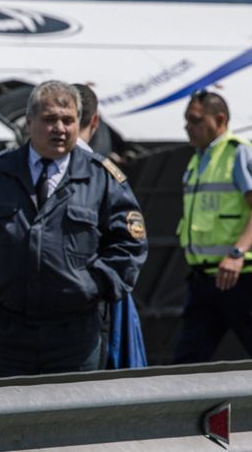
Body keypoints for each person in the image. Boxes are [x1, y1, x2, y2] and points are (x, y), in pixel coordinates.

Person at [0, 80, 147, 377]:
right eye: (50, 119)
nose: (60, 128)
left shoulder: (102, 179)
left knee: (71, 421)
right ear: (29, 122)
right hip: (5, 332)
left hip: (75, 336)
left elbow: (129, 247)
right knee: (4, 419)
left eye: (68, 120)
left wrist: (94, 287)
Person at [174, 90, 252, 363]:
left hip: (241, 279)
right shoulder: (198, 158)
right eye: (187, 121)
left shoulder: (238, 153)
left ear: (220, 119)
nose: (188, 127)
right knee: (186, 364)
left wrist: (236, 254)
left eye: (195, 120)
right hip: (204, 281)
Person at [73, 83, 148, 369]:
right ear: (94, 121)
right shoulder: (104, 173)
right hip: (93, 308)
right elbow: (129, 248)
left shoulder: (14, 169)